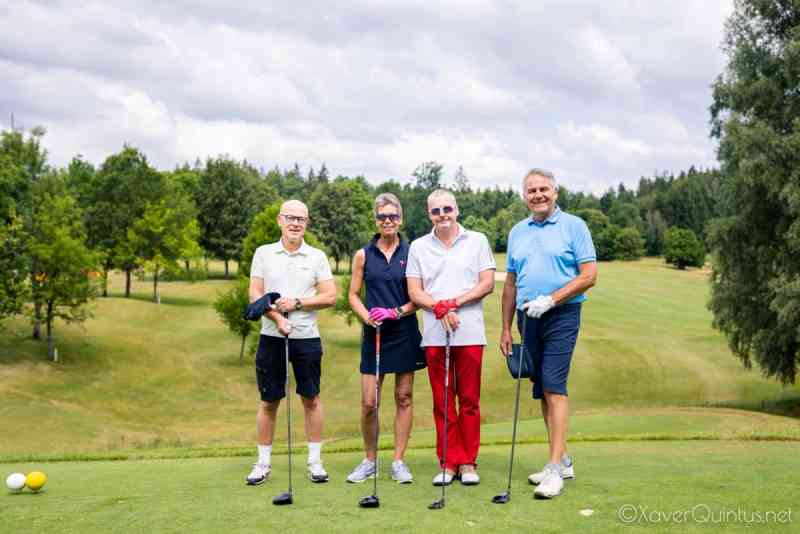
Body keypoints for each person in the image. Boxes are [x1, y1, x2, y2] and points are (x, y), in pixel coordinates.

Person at [500, 168, 597, 499]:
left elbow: (589, 276)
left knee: (554, 386)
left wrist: (552, 300)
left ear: (555, 192)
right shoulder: (517, 231)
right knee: (542, 388)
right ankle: (562, 459)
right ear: (524, 196)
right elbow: (511, 283)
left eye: (544, 189)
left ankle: (554, 470)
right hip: (527, 318)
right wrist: (505, 327)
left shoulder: (574, 226)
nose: (538, 195)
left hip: (562, 315)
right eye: (531, 190)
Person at [406, 189, 496, 486]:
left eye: (447, 209)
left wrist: (452, 304)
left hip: (470, 332)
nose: (442, 215)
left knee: (469, 400)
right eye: (436, 211)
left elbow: (486, 284)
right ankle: (448, 462)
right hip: (434, 335)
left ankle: (468, 462)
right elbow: (415, 291)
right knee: (442, 401)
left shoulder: (477, 240)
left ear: (456, 210)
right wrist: (440, 308)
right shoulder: (419, 247)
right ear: (429, 214)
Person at [246, 199, 337, 485]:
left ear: (307, 223)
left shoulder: (317, 257)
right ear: (280, 220)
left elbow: (330, 296)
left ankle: (315, 462)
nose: (295, 223)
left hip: (307, 338)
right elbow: (255, 295)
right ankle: (263, 463)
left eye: (301, 219)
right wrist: (277, 318)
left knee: (311, 398)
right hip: (271, 337)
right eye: (290, 218)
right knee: (269, 400)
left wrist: (297, 303)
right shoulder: (263, 253)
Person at [345, 193, 427, 485]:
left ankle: (398, 461)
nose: (388, 221)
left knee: (403, 397)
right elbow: (353, 295)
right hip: (375, 333)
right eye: (382, 216)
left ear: (400, 219)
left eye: (393, 216)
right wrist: (366, 316)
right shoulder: (363, 254)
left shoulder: (413, 252)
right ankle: (370, 460)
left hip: (403, 332)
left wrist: (396, 312)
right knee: (370, 402)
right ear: (376, 220)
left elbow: (419, 297)